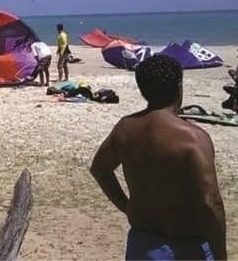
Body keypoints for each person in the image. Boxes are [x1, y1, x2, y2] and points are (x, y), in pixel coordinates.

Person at [90, 55, 226, 260]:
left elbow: (100, 170)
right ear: (179, 88)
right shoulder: (194, 138)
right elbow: (210, 201)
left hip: (145, 240)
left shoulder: (126, 129)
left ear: (142, 89)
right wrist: (221, 252)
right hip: (189, 241)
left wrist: (127, 207)